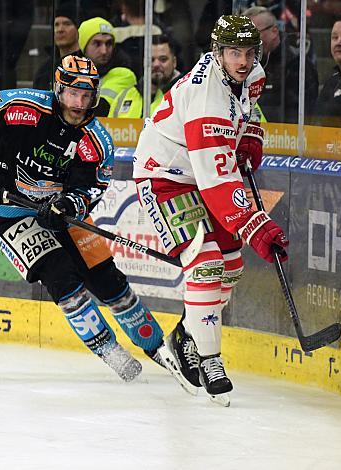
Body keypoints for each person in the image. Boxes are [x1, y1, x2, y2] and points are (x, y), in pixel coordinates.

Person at [0, 55, 171, 382]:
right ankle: (110, 350)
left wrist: (69, 206)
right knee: (61, 277)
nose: (79, 103)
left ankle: (159, 348)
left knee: (107, 278)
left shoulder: (97, 142)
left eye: (86, 95)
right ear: (57, 89)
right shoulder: (21, 106)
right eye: (72, 93)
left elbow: (91, 188)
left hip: (56, 212)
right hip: (9, 213)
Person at [132, 15, 289, 402]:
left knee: (231, 267)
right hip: (165, 177)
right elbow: (216, 178)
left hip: (201, 172)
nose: (243, 60)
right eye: (234, 52)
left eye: (250, 52)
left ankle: (187, 333)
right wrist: (256, 226)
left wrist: (250, 135)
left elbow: (247, 109)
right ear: (217, 52)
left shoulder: (249, 75)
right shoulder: (207, 100)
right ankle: (209, 357)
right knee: (204, 263)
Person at [244, 5, 318, 123]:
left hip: (282, 136)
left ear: (274, 31)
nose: (247, 40)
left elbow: (299, 113)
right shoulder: (246, 62)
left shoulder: (297, 64)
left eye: (253, 33)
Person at [109, 34, 181, 118]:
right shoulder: (125, 96)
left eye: (163, 59)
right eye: (151, 60)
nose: (156, 64)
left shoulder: (183, 96)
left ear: (174, 62)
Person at [78, 16, 136, 117]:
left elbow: (100, 110)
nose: (104, 51)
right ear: (84, 47)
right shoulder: (71, 70)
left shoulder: (124, 74)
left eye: (109, 44)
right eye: (97, 43)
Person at [33, 6, 81, 90]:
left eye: (67, 24)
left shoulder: (87, 64)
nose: (60, 29)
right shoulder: (45, 70)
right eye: (56, 25)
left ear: (78, 29)